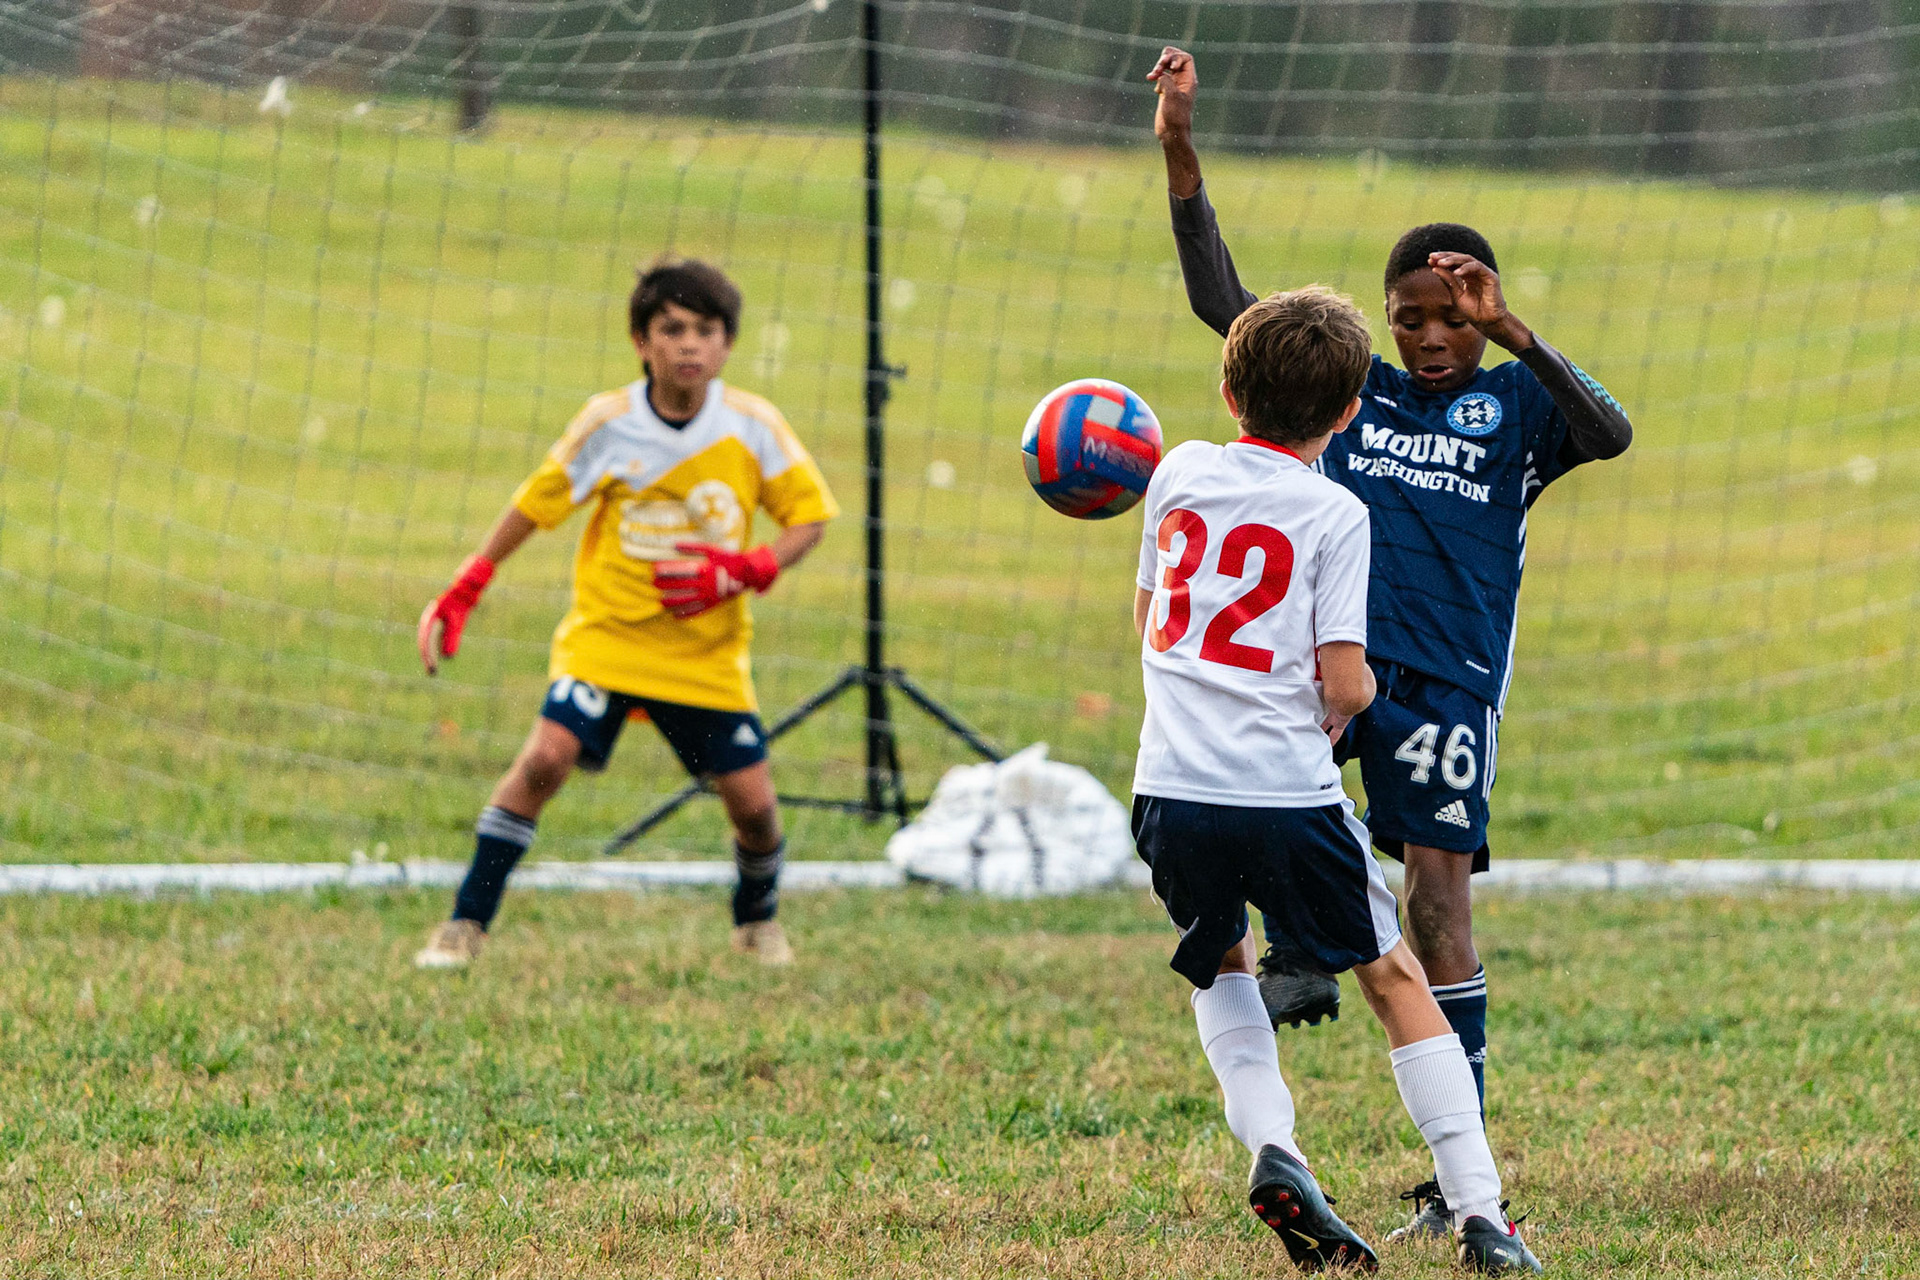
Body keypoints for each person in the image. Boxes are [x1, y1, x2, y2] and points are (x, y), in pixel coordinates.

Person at [1150, 45, 1632, 1243]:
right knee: (1294, 829)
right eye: (1411, 316)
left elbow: (1609, 432)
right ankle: (1314, 962)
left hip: (1446, 682)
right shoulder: (1348, 392)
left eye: (1451, 317)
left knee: (1435, 901)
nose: (1430, 335)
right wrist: (1181, 157)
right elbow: (1230, 304)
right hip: (1331, 674)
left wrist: (1513, 331)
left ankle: (1439, 1179)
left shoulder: (1516, 405)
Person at [1132, 287, 1539, 1274]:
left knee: (1223, 958)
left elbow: (1148, 614)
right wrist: (1336, 702)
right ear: (1351, 411)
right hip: (1285, 793)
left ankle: (1277, 1146)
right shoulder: (1336, 510)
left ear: (1228, 388)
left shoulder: (1179, 469)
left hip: (1169, 788)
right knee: (1395, 979)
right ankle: (1485, 1216)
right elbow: (1349, 677)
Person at [410, 258, 838, 971]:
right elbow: (536, 503)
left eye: (706, 330)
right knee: (545, 759)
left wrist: (748, 568)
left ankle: (756, 923)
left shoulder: (753, 426)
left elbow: (811, 519)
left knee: (756, 809)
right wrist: (470, 582)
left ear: (728, 344)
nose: (689, 345)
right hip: (606, 641)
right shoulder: (610, 423)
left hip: (704, 655)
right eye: (671, 329)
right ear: (641, 341)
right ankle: (464, 924)